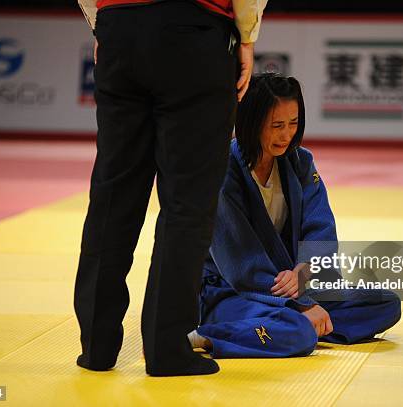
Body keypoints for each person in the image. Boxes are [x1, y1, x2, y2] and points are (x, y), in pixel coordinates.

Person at [74, 0, 268, 376]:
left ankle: (96, 346)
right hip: (193, 30)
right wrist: (247, 35)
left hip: (120, 28)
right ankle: (166, 349)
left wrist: (102, 24)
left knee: (112, 195)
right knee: (187, 204)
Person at [187, 74, 402, 358]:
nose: (287, 135)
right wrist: (301, 302)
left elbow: (320, 226)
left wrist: (304, 272)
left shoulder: (300, 162)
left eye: (294, 123)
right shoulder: (223, 169)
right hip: (233, 289)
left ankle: (294, 327)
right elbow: (241, 260)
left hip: (292, 282)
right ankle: (208, 337)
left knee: (384, 302)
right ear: (251, 123)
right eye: (277, 125)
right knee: (298, 331)